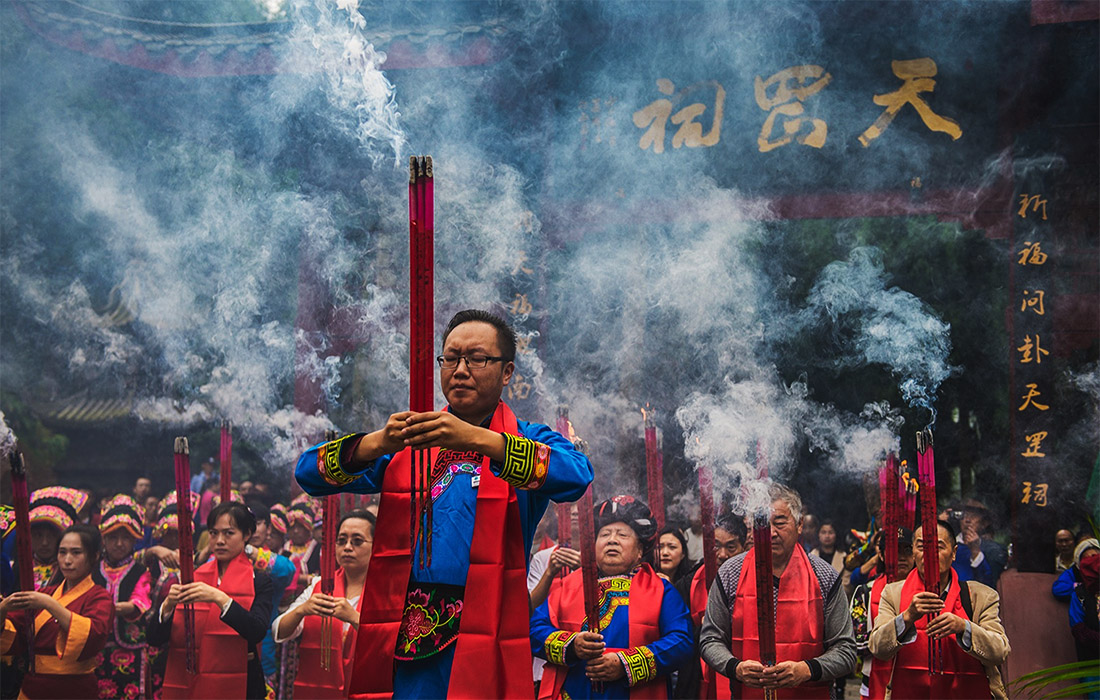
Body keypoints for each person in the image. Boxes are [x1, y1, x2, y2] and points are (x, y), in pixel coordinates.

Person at [295, 309, 594, 698]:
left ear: (506, 372)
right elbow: (309, 474)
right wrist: (377, 443)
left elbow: (576, 476)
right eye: (451, 358)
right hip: (409, 628)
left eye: (477, 359)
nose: (461, 369)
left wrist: (478, 439)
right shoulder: (414, 440)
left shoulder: (524, 437)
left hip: (491, 621)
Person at [700, 485, 856, 699]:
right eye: (763, 524)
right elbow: (710, 639)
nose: (771, 533)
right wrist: (736, 668)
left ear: (800, 524)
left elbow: (846, 650)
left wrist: (807, 670)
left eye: (780, 523)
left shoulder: (824, 575)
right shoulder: (730, 573)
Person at [531, 496, 693, 699]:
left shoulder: (661, 590)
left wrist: (625, 664)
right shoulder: (568, 586)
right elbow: (534, 629)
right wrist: (572, 645)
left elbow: (682, 641)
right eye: (605, 534)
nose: (612, 540)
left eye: (623, 535)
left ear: (640, 550)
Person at [147, 501, 274, 699]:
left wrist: (220, 598)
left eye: (229, 533)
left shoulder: (259, 581)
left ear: (247, 535)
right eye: (214, 533)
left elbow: (256, 630)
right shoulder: (194, 576)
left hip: (243, 680)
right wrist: (168, 606)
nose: (219, 541)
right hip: (192, 676)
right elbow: (154, 639)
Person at [869, 520, 1010, 698]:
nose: (929, 554)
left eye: (938, 547)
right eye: (921, 547)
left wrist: (964, 627)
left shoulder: (980, 596)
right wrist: (907, 617)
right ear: (913, 551)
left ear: (954, 553)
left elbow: (1000, 652)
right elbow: (878, 649)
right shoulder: (893, 594)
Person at [1, 523, 114, 699]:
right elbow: (16, 633)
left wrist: (50, 604)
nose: (67, 560)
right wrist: (3, 609)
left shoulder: (99, 597)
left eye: (76, 553)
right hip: (33, 688)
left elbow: (93, 635)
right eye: (62, 552)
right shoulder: (45, 593)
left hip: (76, 689)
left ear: (94, 556)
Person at [273, 509, 376, 698]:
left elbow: (395, 646)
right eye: (341, 540)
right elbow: (278, 631)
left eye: (357, 541)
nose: (347, 547)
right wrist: (302, 610)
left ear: (376, 546)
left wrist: (354, 619)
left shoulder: (388, 591)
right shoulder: (319, 586)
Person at [676, 515, 749, 699]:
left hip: (744, 672)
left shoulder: (758, 581)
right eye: (716, 546)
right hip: (697, 676)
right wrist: (704, 627)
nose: (722, 554)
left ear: (744, 547)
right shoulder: (689, 583)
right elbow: (676, 635)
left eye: (730, 547)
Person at [92, 495, 153, 700]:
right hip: (96, 648)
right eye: (113, 537)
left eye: (126, 538)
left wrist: (115, 608)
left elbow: (140, 599)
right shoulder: (93, 569)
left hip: (130, 647)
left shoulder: (140, 570)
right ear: (104, 539)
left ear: (134, 539)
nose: (119, 544)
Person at [848, 528, 914, 700]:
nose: (901, 557)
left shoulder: (928, 591)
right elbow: (857, 643)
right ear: (882, 555)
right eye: (894, 551)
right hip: (875, 679)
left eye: (907, 550)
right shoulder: (865, 593)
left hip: (917, 678)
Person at [28, 488, 89, 591]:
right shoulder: (18, 569)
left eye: (52, 536)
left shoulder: (77, 571)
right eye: (38, 535)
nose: (44, 543)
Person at [951, 500, 1006, 588]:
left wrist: (975, 551)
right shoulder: (950, 546)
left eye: (973, 516)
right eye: (964, 515)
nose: (967, 520)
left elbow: (989, 584)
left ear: (984, 523)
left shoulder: (993, 550)